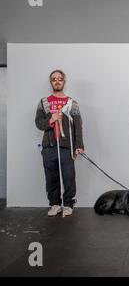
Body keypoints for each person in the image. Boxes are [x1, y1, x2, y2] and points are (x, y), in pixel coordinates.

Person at [35, 70, 84, 217]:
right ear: (51, 82)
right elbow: (38, 123)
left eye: (60, 79)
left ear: (64, 81)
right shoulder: (43, 102)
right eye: (54, 79)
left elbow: (77, 126)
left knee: (68, 177)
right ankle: (55, 204)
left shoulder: (72, 103)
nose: (57, 81)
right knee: (51, 177)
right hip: (49, 147)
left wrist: (79, 146)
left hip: (66, 147)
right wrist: (51, 119)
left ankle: (68, 204)